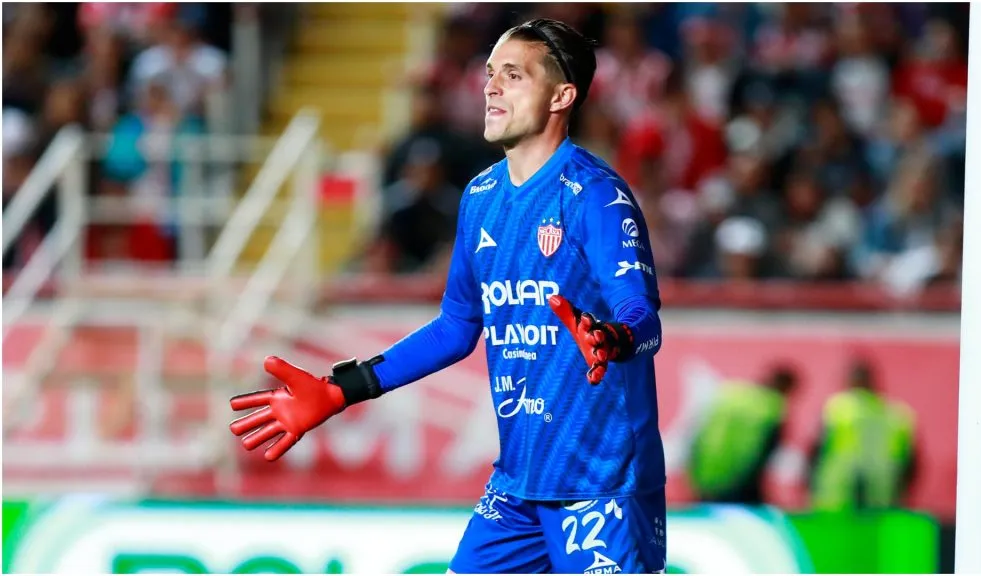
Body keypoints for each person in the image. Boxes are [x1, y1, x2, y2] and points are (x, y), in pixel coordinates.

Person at [228, 18, 667, 574]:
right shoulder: (480, 196)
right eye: (489, 74)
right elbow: (456, 328)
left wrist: (614, 338)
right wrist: (344, 389)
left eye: (513, 75)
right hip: (519, 484)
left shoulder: (596, 195)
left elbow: (644, 318)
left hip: (602, 483)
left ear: (562, 95)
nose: (490, 87)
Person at [808, 359, 918, 511]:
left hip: (836, 494)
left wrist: (809, 483)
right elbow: (911, 461)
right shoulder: (898, 413)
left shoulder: (836, 407)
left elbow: (815, 448)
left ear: (848, 381)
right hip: (881, 495)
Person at [686, 365, 798, 505]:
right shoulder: (773, 407)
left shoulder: (729, 394)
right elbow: (764, 453)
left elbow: (697, 433)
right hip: (738, 481)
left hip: (705, 474)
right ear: (786, 387)